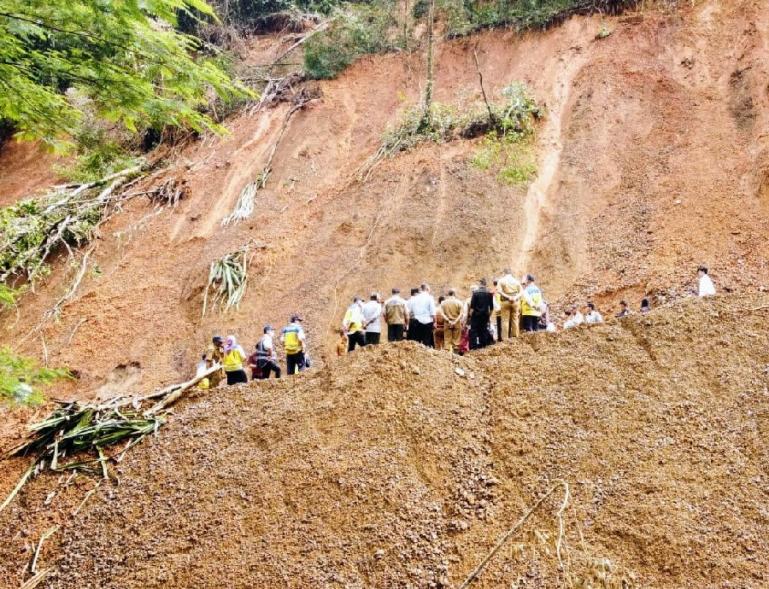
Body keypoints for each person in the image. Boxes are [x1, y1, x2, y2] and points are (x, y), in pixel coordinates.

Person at [468, 278, 494, 349]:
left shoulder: (475, 293)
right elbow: (491, 308)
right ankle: (483, 345)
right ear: (485, 284)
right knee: (483, 330)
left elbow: (472, 307)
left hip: (476, 315)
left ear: (480, 284)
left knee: (474, 330)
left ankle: (474, 347)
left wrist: (470, 316)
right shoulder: (489, 293)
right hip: (485, 315)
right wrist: (489, 316)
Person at [497, 270, 522, 340]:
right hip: (515, 301)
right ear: (511, 273)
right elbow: (521, 292)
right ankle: (515, 337)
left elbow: (499, 291)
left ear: (504, 273)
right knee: (515, 319)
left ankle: (505, 339)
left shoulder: (501, 280)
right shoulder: (516, 281)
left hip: (505, 301)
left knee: (505, 320)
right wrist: (515, 297)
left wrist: (508, 297)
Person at [440, 289, 464, 353]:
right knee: (456, 340)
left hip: (447, 323)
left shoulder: (443, 303)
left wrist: (448, 320)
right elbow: (461, 314)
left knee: (447, 339)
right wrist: (455, 321)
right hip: (457, 323)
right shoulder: (459, 302)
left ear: (448, 294)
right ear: (454, 294)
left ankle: (446, 354)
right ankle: (455, 354)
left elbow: (442, 313)